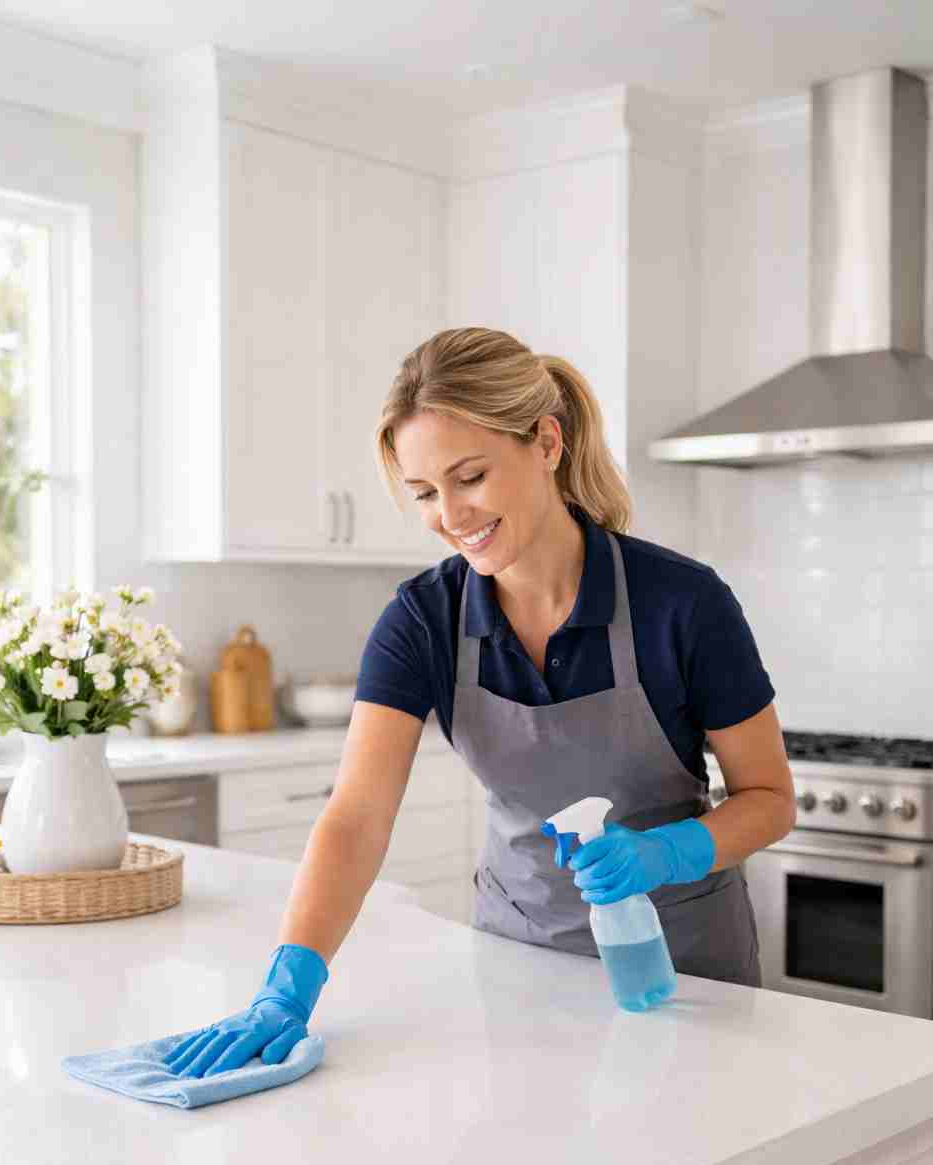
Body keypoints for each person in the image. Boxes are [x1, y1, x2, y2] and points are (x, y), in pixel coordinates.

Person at [166, 327, 795, 1078]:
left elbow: (770, 799)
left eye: (470, 477)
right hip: (516, 968)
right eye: (425, 493)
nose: (451, 515)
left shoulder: (681, 604)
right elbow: (356, 816)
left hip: (688, 976)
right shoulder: (423, 622)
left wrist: (666, 852)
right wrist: (288, 985)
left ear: (547, 444)